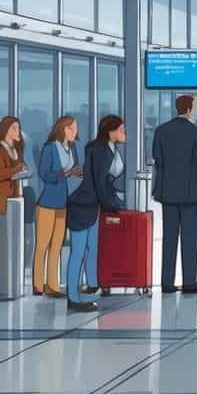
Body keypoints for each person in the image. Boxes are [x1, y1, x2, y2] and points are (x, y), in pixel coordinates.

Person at [152, 94, 197, 295]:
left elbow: (157, 159)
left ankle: (167, 283)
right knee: (190, 238)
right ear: (189, 109)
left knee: (169, 238)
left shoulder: (161, 132)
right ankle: (189, 281)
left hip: (168, 194)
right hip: (192, 194)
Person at [65, 116, 126, 312]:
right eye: (121, 129)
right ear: (111, 131)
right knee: (78, 253)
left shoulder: (107, 148)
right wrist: (110, 205)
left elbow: (105, 182)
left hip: (92, 205)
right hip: (83, 205)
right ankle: (73, 298)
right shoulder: (102, 151)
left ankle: (93, 283)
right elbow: (100, 182)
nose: (124, 133)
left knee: (93, 247)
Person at [34, 116, 83, 298]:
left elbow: (75, 169)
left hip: (63, 202)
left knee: (57, 245)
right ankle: (38, 285)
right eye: (73, 129)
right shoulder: (50, 148)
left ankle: (52, 286)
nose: (75, 132)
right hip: (47, 202)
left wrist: (79, 174)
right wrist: (66, 173)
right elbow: (44, 174)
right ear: (64, 129)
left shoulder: (72, 148)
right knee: (42, 245)